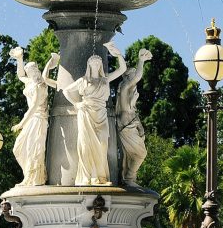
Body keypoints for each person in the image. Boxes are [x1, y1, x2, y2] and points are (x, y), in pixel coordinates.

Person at [62, 43, 126, 185]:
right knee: (85, 145)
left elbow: (123, 69)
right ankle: (87, 177)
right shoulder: (83, 81)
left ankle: (100, 177)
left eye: (98, 62)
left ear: (101, 65)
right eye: (93, 63)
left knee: (102, 144)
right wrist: (76, 104)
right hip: (86, 113)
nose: (96, 65)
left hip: (101, 114)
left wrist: (117, 53)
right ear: (89, 65)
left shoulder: (105, 80)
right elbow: (66, 91)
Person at [9, 47, 59, 186]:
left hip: (37, 119)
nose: (34, 73)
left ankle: (34, 178)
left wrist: (21, 123)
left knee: (34, 149)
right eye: (31, 71)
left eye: (35, 70)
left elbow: (34, 106)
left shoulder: (40, 86)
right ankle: (28, 175)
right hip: (32, 119)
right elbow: (20, 76)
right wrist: (19, 59)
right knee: (18, 148)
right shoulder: (30, 82)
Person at [116, 48, 152, 186]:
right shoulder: (125, 87)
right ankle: (130, 178)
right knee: (141, 154)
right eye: (132, 74)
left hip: (130, 122)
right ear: (128, 77)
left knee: (132, 155)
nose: (135, 78)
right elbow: (138, 77)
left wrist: (139, 126)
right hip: (126, 123)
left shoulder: (129, 90)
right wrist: (141, 61)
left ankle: (128, 177)